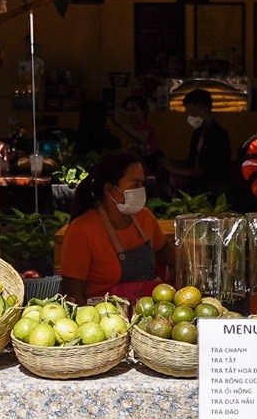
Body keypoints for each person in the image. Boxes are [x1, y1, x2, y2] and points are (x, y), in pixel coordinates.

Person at [55, 151, 172, 303]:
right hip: (104, 317)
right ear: (110, 189)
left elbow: (166, 252)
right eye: (135, 185)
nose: (141, 190)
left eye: (143, 184)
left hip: (147, 313)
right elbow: (72, 295)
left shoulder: (145, 217)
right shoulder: (82, 230)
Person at [169, 88, 235, 202]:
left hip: (213, 191)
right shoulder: (197, 133)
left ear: (204, 111)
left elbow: (216, 168)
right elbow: (192, 159)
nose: (189, 117)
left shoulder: (219, 135)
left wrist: (186, 172)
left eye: (191, 113)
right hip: (196, 188)